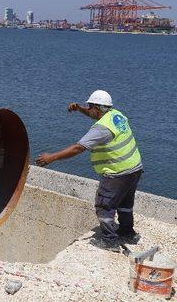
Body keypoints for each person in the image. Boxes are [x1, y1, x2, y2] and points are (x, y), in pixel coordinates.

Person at [35, 90, 143, 251]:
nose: (88, 108)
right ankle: (128, 233)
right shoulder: (116, 115)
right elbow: (94, 114)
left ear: (97, 108)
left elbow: (78, 148)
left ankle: (109, 241)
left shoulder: (101, 129)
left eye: (90, 106)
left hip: (116, 172)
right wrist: (79, 108)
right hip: (134, 168)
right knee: (125, 204)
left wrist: (51, 157)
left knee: (104, 205)